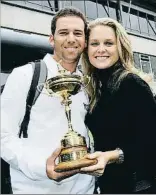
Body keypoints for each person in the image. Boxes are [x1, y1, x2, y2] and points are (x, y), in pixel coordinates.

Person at [1, 7, 95, 194]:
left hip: (84, 189)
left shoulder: (87, 83)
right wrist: (42, 167)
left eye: (77, 33)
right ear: (51, 39)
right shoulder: (25, 75)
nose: (71, 39)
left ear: (85, 42)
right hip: (37, 188)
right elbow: (3, 135)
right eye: (63, 33)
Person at [80, 18, 156, 194]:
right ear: (86, 49)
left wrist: (110, 156)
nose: (101, 49)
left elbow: (153, 143)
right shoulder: (96, 88)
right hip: (110, 185)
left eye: (108, 43)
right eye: (94, 43)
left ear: (120, 47)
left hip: (136, 187)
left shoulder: (131, 84)